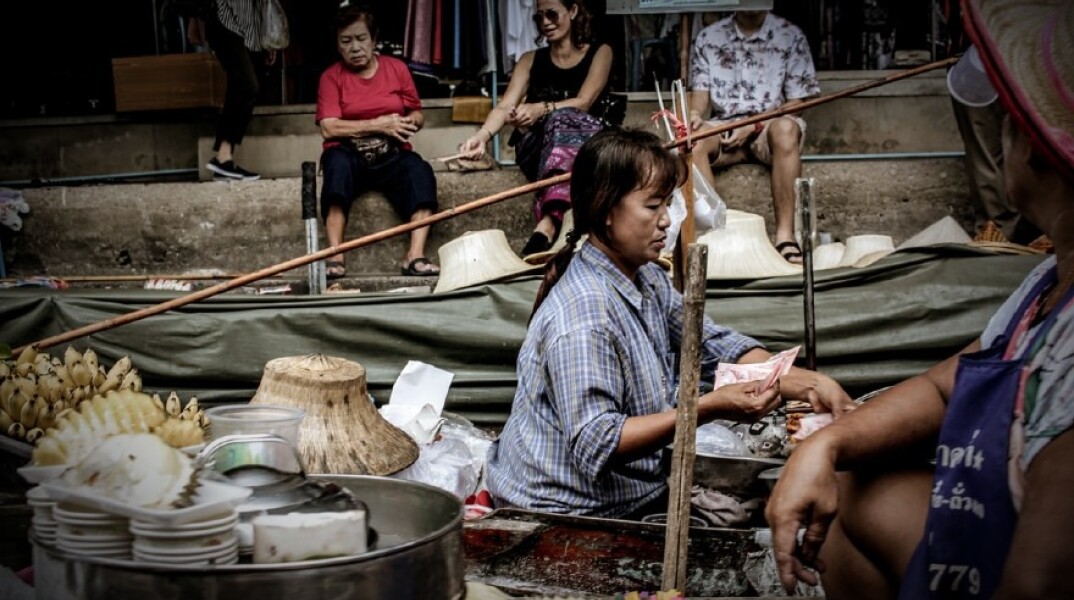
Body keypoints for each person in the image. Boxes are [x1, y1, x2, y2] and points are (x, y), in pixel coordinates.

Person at [765, 1, 1074, 597]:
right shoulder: (1043, 289)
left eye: (1007, 124)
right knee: (851, 487)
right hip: (994, 524)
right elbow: (943, 386)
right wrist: (826, 445)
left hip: (1015, 562)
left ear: (1035, 151)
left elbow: (1040, 581)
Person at [484, 127, 854, 518]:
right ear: (607, 210)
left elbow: (713, 343)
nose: (666, 222)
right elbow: (598, 442)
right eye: (653, 206)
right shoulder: (584, 315)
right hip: (567, 507)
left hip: (632, 486)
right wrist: (708, 407)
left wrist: (805, 382)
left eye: (668, 206)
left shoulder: (645, 277)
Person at [457, 0, 614, 257]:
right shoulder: (530, 60)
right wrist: (482, 137)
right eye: (539, 17)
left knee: (564, 119)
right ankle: (557, 221)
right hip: (541, 150)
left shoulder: (601, 52)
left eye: (552, 14)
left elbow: (584, 103)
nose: (545, 23)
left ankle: (549, 223)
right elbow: (504, 106)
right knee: (556, 124)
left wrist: (539, 109)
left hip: (591, 148)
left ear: (573, 11)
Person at [316, 3, 439, 278]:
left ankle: (415, 255)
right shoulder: (331, 77)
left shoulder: (396, 69)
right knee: (335, 170)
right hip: (349, 153)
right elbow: (329, 128)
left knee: (419, 172)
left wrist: (411, 122)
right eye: (346, 41)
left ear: (374, 41)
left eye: (361, 39)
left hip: (391, 153)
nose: (355, 47)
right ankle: (335, 255)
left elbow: (416, 113)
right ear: (337, 45)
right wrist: (379, 124)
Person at [688, 10, 820, 264]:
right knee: (694, 140)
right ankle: (716, 234)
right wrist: (694, 114)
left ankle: (785, 237)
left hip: (770, 125)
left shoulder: (790, 35)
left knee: (786, 129)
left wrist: (756, 125)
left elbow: (796, 102)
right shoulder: (709, 37)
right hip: (724, 124)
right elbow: (701, 94)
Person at [943, 0, 1041, 245]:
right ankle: (998, 232)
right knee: (985, 150)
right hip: (977, 50)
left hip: (1032, 44)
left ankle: (1044, 229)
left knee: (1040, 140)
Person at [187, 0, 286, 181]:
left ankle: (223, 160)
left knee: (239, 84)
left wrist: (268, 39)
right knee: (247, 85)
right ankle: (223, 158)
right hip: (225, 17)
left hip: (249, 25)